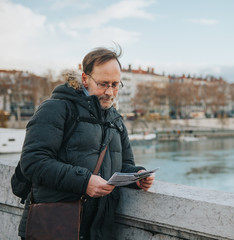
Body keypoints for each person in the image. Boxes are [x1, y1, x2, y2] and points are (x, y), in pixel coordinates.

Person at [18, 46, 154, 239]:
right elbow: (33, 163)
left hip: (98, 230)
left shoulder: (116, 119)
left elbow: (123, 165)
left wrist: (138, 176)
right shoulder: (55, 109)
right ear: (84, 79)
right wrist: (85, 182)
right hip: (54, 226)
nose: (110, 92)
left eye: (115, 84)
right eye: (103, 84)